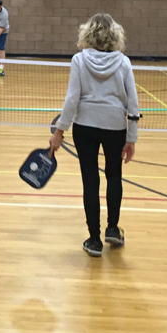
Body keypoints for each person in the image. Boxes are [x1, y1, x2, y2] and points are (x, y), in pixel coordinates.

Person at [49, 13, 139, 258]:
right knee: (114, 175)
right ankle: (112, 228)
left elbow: (71, 100)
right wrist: (132, 137)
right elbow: (133, 103)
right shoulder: (124, 62)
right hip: (114, 126)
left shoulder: (79, 60)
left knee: (90, 181)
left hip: (85, 126)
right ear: (114, 35)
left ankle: (94, 240)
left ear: (88, 34)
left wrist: (59, 133)